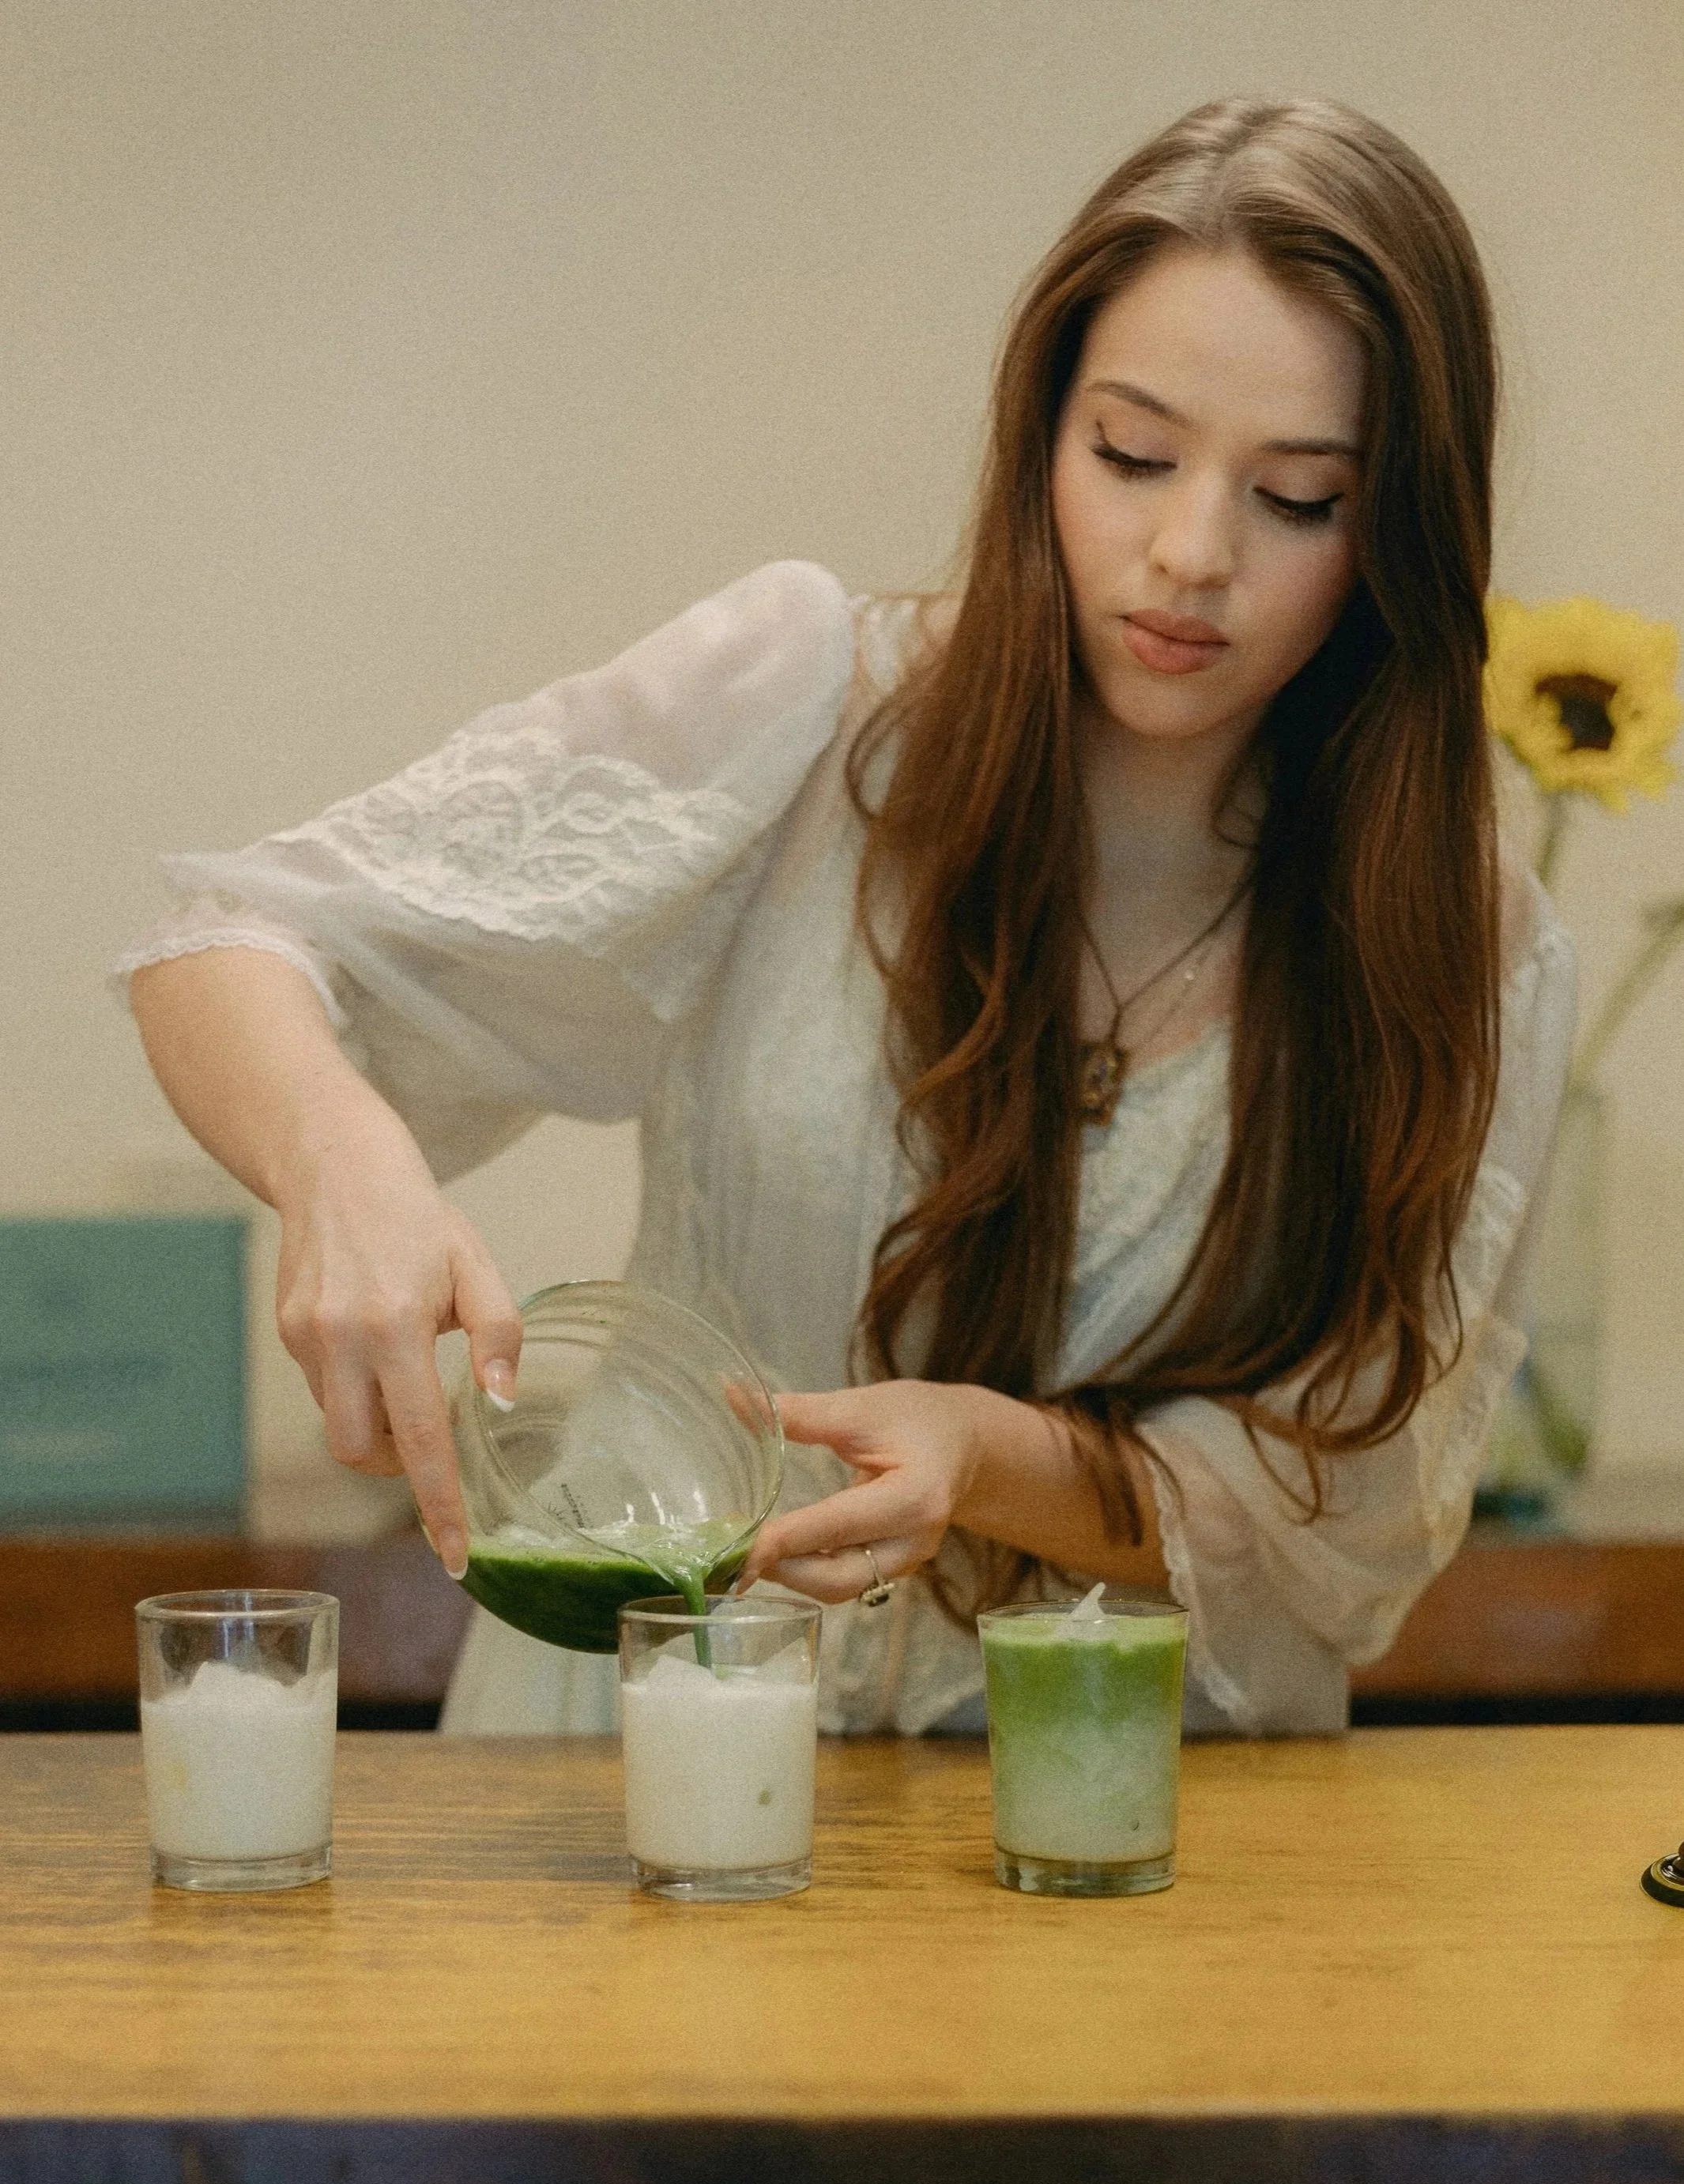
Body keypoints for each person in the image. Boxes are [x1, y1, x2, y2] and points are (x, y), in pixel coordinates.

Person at [119, 95, 1575, 1740]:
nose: (1187, 552)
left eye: (1299, 497)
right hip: (641, 1748)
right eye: (1133, 453)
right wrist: (341, 1161)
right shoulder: (810, 706)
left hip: (1120, 1837)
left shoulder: (1471, 957)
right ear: (1041, 428)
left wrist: (995, 1454)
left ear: (1398, 533)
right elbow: (229, 945)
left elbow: (1347, 1523)